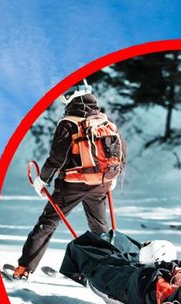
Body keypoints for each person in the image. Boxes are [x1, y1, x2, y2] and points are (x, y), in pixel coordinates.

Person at [9, 82, 125, 280]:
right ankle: (109, 269)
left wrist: (42, 179)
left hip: (73, 184)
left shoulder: (69, 123)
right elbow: (121, 151)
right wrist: (113, 176)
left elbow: (57, 157)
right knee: (99, 228)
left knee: (47, 223)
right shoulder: (104, 121)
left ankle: (24, 269)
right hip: (101, 183)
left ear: (71, 96)